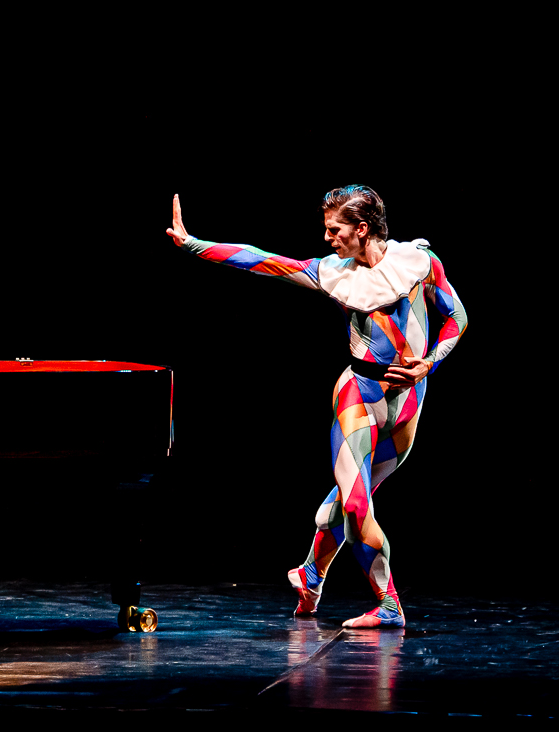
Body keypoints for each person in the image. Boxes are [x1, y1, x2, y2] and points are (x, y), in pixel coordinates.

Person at [165, 187, 467, 628]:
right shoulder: (334, 274)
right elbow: (262, 260)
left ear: (361, 229)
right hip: (359, 396)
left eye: (334, 229)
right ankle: (388, 603)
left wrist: (429, 364)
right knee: (357, 505)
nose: (327, 238)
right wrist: (194, 245)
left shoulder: (418, 262)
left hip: (408, 404)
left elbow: (457, 317)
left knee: (343, 504)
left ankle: (311, 574)